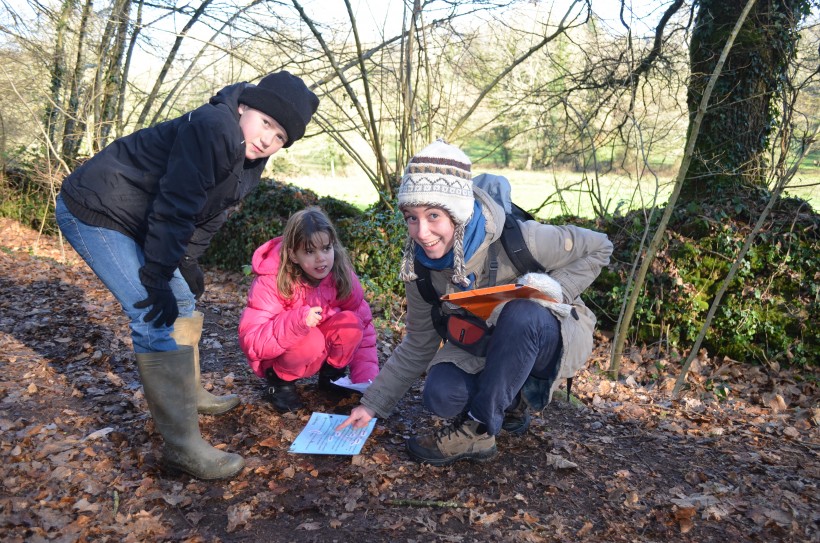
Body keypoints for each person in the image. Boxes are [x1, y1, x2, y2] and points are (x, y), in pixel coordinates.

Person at [55, 71, 319, 480]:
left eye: (281, 136)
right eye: (266, 123)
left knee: (182, 301)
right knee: (152, 314)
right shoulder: (213, 128)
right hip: (95, 208)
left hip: (138, 215)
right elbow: (177, 204)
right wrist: (158, 274)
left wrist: (188, 262)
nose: (269, 140)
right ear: (244, 106)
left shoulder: (252, 160)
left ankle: (189, 390)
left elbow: (209, 214)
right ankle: (182, 447)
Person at [337, 139, 613, 466]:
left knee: (521, 313)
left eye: (434, 215)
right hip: (481, 344)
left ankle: (479, 431)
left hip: (546, 337)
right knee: (441, 394)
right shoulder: (421, 267)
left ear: (460, 213)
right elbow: (418, 344)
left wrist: (556, 289)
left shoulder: (523, 240)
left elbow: (601, 247)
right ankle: (509, 403)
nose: (421, 232)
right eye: (412, 217)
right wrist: (371, 406)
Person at [238, 207, 380, 412]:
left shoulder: (342, 276)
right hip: (283, 355)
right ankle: (280, 384)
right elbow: (252, 342)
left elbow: (364, 329)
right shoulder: (271, 281)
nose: (321, 258)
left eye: (326, 248)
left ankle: (332, 376)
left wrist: (366, 380)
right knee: (310, 340)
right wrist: (296, 323)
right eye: (310, 251)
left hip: (320, 349)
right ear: (293, 255)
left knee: (350, 324)